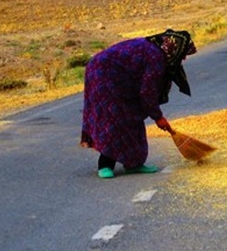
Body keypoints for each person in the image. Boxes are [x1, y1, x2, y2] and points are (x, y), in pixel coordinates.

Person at [80, 29, 197, 178]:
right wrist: (158, 117)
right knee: (114, 119)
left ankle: (134, 163)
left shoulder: (158, 49)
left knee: (132, 116)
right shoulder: (157, 57)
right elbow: (147, 92)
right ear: (175, 49)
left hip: (120, 77)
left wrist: (155, 114)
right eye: (184, 54)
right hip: (103, 74)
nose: (184, 58)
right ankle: (105, 165)